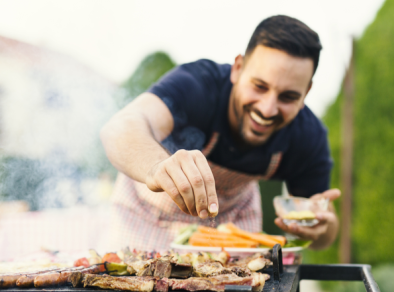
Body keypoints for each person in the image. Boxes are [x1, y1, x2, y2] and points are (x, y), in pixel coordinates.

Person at [100, 15, 340, 251]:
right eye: (259, 86)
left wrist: (320, 229)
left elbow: (324, 237)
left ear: (306, 92)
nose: (267, 109)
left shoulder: (308, 136)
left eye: (288, 97)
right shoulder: (199, 85)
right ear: (237, 68)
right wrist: (156, 168)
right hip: (146, 218)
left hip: (232, 226)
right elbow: (120, 128)